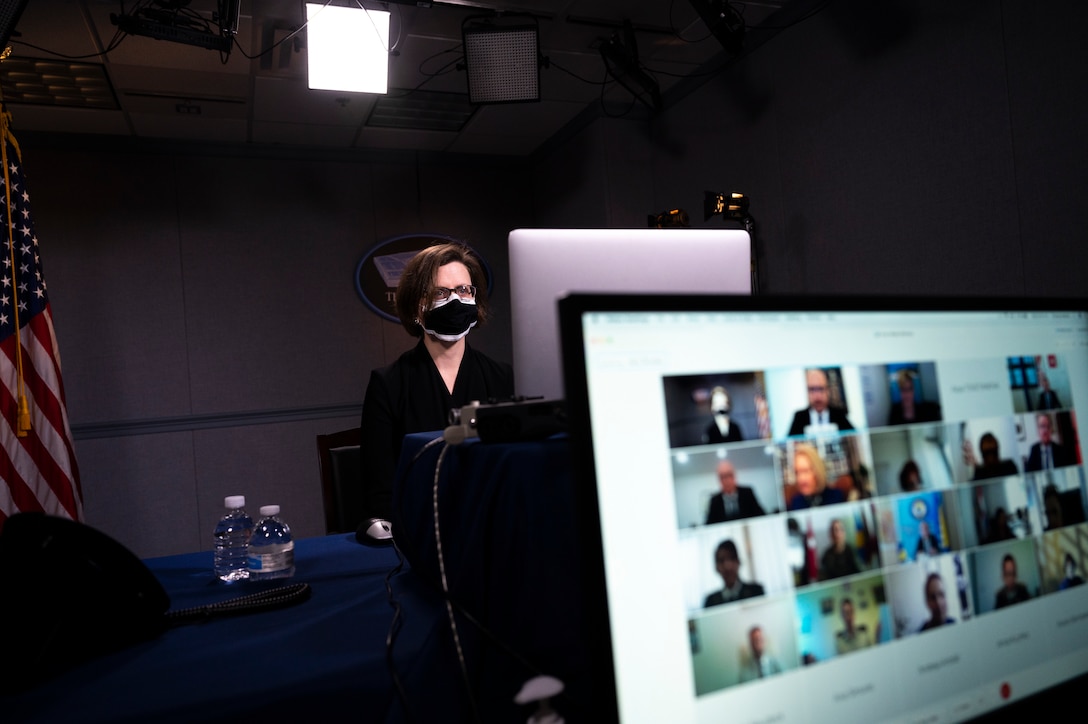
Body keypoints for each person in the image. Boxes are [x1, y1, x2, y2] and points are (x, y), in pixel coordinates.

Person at [359, 242, 514, 542]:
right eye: (441, 293)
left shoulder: (502, 378)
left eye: (464, 290)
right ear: (418, 306)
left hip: (494, 531)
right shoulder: (389, 384)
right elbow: (380, 491)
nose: (456, 300)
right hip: (420, 536)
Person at [788, 368, 855, 436]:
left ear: (828, 390)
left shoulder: (839, 415)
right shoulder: (799, 417)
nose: (817, 396)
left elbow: (853, 435)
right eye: (812, 389)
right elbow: (789, 443)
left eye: (821, 389)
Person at [703, 539, 765, 607]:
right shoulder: (710, 602)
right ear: (716, 567)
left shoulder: (756, 592)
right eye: (721, 561)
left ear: (738, 562)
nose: (727, 566)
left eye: (731, 558)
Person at [787, 442, 845, 510]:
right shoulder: (796, 502)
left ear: (817, 471)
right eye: (797, 473)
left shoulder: (836, 497)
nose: (800, 478)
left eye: (805, 471)